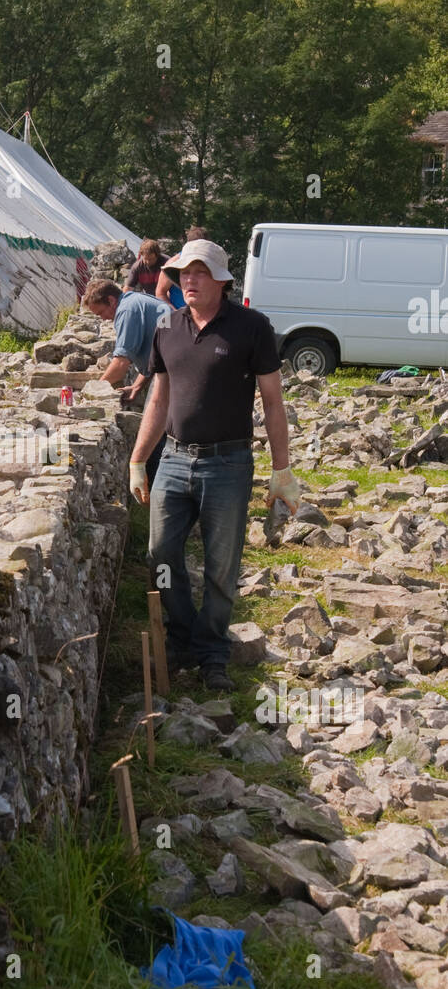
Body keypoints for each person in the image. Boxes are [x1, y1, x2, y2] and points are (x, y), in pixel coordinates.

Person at [129, 239, 301, 693]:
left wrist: (281, 471)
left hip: (228, 463)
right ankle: (184, 637)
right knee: (161, 555)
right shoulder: (167, 327)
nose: (189, 279)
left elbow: (272, 400)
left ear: (222, 281)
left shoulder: (251, 328)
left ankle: (212, 652)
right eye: (184, 272)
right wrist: (138, 459)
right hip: (174, 458)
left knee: (222, 566)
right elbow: (159, 397)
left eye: (200, 272)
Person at [82, 278, 172, 484]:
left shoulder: (127, 311)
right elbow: (155, 354)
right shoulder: (136, 301)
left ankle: (157, 487)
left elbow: (120, 365)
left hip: (175, 373)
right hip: (176, 368)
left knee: (154, 431)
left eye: (101, 312)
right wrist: (138, 386)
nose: (103, 319)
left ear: (111, 301)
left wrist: (91, 392)